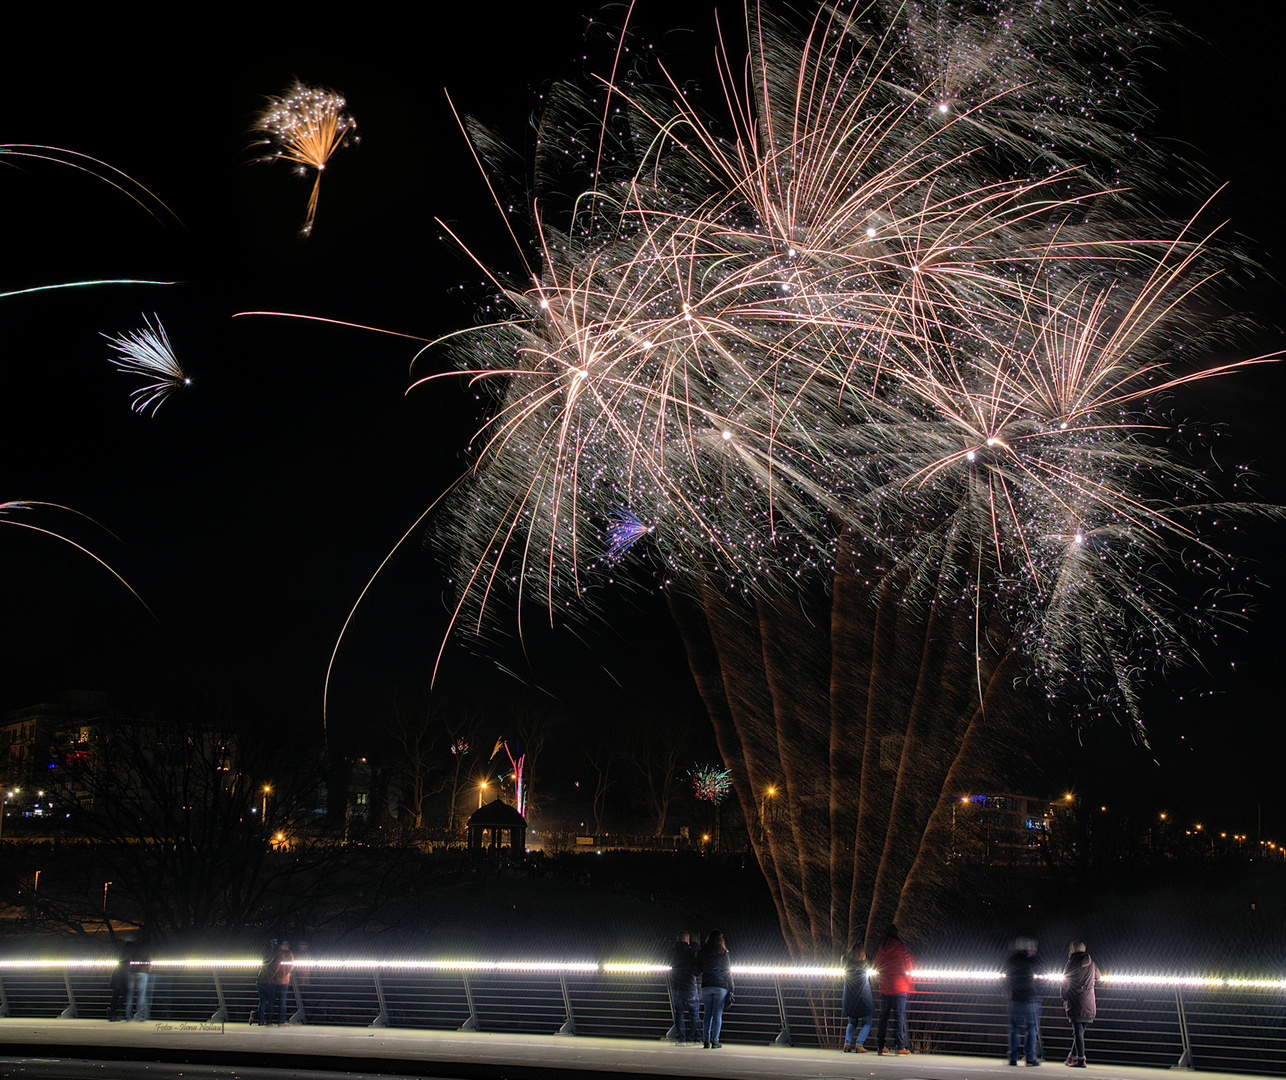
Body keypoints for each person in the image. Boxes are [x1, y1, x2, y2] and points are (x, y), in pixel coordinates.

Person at [873, 923, 914, 1055]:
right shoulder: (900, 946)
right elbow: (907, 966)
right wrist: (909, 981)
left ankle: (880, 1045)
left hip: (884, 987)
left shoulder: (880, 946)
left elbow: (876, 964)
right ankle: (900, 1046)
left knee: (883, 1017)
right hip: (899, 987)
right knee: (899, 1017)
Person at [1004, 936, 1041, 1065]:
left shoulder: (1011, 961)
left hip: (1015, 997)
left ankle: (1013, 1057)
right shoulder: (1030, 960)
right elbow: (1040, 970)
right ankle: (1030, 1058)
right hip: (1029, 998)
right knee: (1031, 1028)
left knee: (1014, 1028)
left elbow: (1006, 978)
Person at [1060, 941, 1098, 1067]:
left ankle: (1081, 1059)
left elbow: (1065, 983)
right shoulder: (1092, 963)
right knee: (1080, 1032)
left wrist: (1064, 998)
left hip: (1076, 1001)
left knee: (1078, 1032)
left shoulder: (1072, 964)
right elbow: (1099, 977)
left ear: (1072, 950)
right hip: (1089, 1001)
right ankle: (1071, 1057)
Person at [697, 929, 734, 1049]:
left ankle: (706, 1041)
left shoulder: (703, 952)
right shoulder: (723, 953)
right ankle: (715, 1041)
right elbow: (728, 971)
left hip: (706, 985)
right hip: (720, 986)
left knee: (707, 1013)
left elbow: (698, 968)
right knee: (717, 1014)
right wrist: (731, 988)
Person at [667, 931, 701, 1044]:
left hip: (676, 986)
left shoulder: (672, 951)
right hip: (690, 985)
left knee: (679, 1014)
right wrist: (696, 946)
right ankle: (696, 1038)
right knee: (694, 1014)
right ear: (687, 939)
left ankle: (680, 1038)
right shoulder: (691, 951)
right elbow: (697, 969)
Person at [841, 945, 874, 1052]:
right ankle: (859, 1044)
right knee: (867, 1022)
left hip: (850, 998)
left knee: (852, 1022)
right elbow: (870, 961)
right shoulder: (865, 964)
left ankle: (847, 1043)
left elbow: (843, 958)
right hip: (863, 998)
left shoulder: (846, 963)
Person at [123, 937, 152, 1022]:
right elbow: (149, 962)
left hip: (131, 972)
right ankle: (139, 1015)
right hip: (142, 972)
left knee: (130, 995)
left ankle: (128, 1016)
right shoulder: (147, 950)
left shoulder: (133, 949)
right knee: (141, 995)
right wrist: (148, 969)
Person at [255, 939, 282, 1025]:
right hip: (267, 981)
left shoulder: (265, 953)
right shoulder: (274, 955)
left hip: (259, 981)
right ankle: (267, 1020)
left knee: (263, 1001)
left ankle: (260, 1020)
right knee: (270, 1001)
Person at [272, 941, 295, 1025]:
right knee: (282, 1001)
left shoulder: (274, 953)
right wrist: (285, 973)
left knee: (272, 1001)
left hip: (274, 980)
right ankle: (281, 1021)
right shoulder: (288, 954)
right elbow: (290, 966)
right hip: (283, 980)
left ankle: (269, 1020)